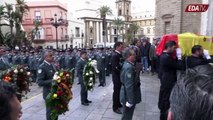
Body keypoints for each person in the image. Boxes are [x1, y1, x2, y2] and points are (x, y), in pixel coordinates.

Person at [158, 41, 185, 120]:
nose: (175, 49)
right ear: (169, 47)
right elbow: (179, 66)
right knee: (166, 101)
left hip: (165, 80)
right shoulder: (166, 57)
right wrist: (179, 57)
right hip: (168, 81)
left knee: (165, 100)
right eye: (174, 48)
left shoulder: (165, 55)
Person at [120, 48, 141, 120]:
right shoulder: (129, 67)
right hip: (127, 96)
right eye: (134, 54)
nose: (135, 56)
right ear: (129, 56)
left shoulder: (129, 64)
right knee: (127, 116)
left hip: (127, 94)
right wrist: (130, 100)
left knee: (127, 115)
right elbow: (129, 85)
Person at [37, 50, 57, 120]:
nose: (53, 57)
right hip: (48, 93)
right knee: (50, 111)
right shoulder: (42, 67)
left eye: (52, 55)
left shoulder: (52, 64)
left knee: (56, 110)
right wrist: (52, 81)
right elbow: (40, 82)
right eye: (50, 56)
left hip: (55, 91)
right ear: (45, 57)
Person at [111, 42, 124, 114]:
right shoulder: (114, 55)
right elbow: (115, 67)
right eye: (121, 47)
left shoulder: (118, 54)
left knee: (119, 91)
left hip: (119, 76)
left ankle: (118, 103)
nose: (122, 48)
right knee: (116, 92)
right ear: (117, 47)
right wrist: (122, 69)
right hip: (116, 76)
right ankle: (115, 107)